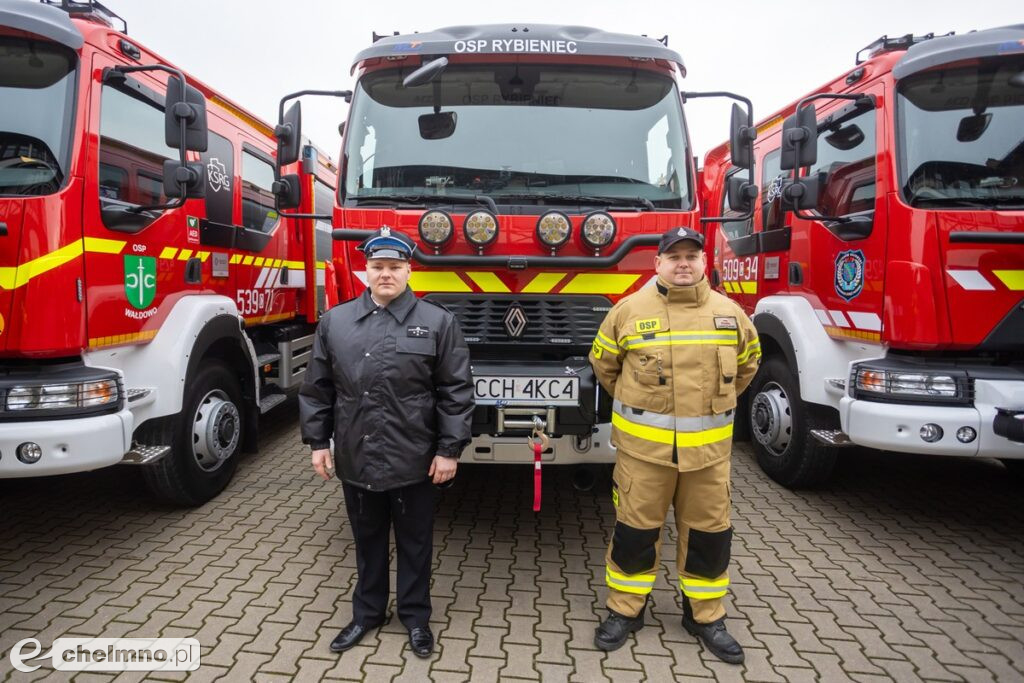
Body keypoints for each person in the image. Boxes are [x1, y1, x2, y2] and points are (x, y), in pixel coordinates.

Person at [299, 226, 474, 658]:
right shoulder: (335, 322)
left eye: (395, 267)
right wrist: (318, 442)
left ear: (408, 270)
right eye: (378, 267)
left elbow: (456, 392)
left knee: (415, 541)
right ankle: (367, 613)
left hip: (414, 457)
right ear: (366, 270)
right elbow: (318, 389)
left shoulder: (437, 323)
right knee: (368, 538)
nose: (386, 275)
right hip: (357, 455)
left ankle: (415, 617)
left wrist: (449, 450)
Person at [588, 227, 761, 663]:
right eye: (674, 256)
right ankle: (625, 610)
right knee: (634, 531)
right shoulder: (627, 311)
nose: (683, 264)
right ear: (658, 263)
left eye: (692, 256)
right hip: (644, 455)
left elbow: (747, 367)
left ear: (704, 263)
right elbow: (604, 367)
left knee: (709, 535)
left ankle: (705, 616)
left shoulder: (731, 315)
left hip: (708, 458)